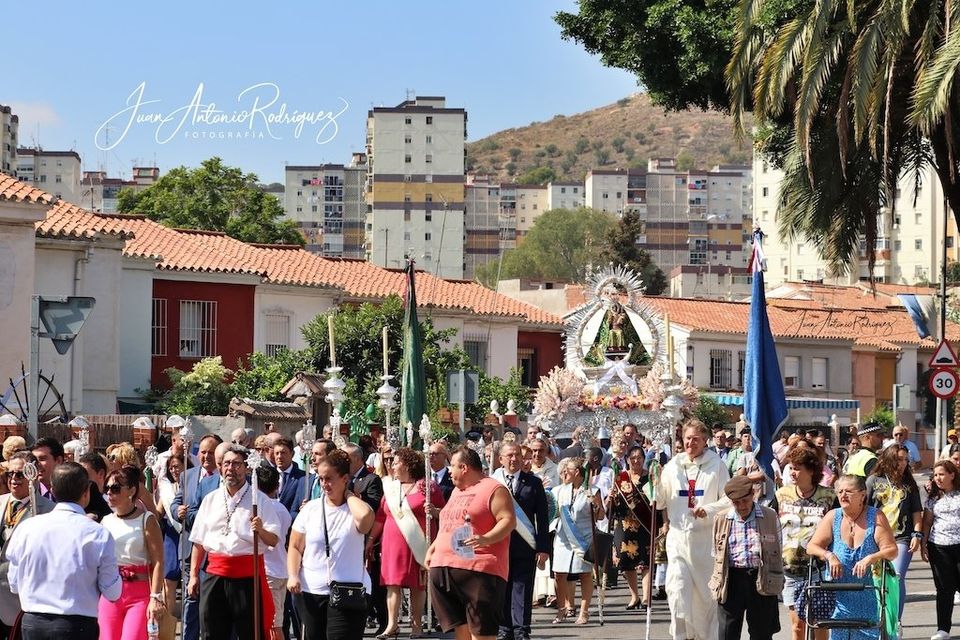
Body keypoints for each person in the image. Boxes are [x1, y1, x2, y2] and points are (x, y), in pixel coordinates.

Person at [7, 462, 122, 639]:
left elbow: (14, 584)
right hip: (76, 625)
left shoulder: (26, 528)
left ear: (52, 490)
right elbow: (112, 591)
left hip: (34, 623)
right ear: (86, 492)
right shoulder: (98, 533)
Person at [187, 445, 282, 640]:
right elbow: (198, 541)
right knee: (211, 633)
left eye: (237, 464)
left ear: (246, 468)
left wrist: (261, 530)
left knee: (250, 633)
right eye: (227, 463)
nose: (231, 468)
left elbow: (274, 539)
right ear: (220, 467)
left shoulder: (260, 500)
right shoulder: (210, 500)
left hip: (247, 577)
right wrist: (193, 575)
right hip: (214, 576)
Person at [425, 446, 516, 640]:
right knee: (461, 630)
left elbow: (508, 521)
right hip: (445, 568)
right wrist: (433, 548)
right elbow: (448, 523)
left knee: (481, 633)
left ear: (464, 467)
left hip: (480, 569)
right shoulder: (457, 492)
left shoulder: (494, 489)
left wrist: (486, 538)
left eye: (453, 466)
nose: (449, 470)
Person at [287, 449, 375, 640]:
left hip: (349, 591)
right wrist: (293, 575)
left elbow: (366, 519)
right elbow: (295, 546)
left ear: (344, 479)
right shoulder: (310, 509)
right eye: (321, 479)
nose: (324, 484)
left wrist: (349, 494)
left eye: (329, 479)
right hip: (312, 591)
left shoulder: (355, 509)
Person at [656, 419, 731, 640]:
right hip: (678, 538)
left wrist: (708, 509)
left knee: (703, 599)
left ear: (705, 441)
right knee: (677, 589)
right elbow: (660, 502)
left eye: (696, 439)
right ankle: (681, 636)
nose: (691, 443)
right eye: (687, 438)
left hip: (705, 543)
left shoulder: (716, 464)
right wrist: (654, 484)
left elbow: (728, 499)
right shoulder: (672, 466)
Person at [806, 474, 898, 639]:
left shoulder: (875, 517)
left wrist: (871, 558)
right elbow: (812, 547)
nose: (842, 495)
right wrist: (829, 555)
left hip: (868, 595)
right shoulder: (833, 516)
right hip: (837, 597)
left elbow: (891, 550)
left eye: (848, 491)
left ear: (862, 494)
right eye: (840, 491)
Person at [368, 448, 445, 638]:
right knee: (392, 584)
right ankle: (392, 624)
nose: (391, 466)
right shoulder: (391, 488)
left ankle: (416, 625)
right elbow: (380, 517)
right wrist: (370, 540)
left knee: (417, 585)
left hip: (417, 543)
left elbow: (444, 511)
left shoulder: (427, 487)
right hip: (392, 544)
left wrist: (434, 511)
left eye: (395, 462)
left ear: (408, 464)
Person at [709, 476, 783, 640]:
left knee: (761, 633)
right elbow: (716, 553)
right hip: (731, 579)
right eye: (736, 502)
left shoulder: (769, 516)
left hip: (761, 578)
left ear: (753, 494)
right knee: (727, 633)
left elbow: (779, 548)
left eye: (744, 500)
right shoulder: (721, 519)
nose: (741, 506)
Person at [775, 447, 837, 640]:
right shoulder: (781, 495)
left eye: (797, 468)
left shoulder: (829, 496)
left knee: (819, 622)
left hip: (819, 569)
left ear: (811, 470)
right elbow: (770, 524)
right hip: (790, 569)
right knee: (798, 626)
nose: (792, 473)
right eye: (791, 468)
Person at [98, 465, 166, 640]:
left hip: (139, 593)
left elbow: (158, 561)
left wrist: (156, 597)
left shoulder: (146, 520)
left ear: (131, 490)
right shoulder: (105, 521)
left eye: (115, 488)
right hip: (111, 591)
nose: (109, 493)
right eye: (107, 489)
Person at [491, 443, 549, 640]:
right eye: (509, 455)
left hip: (525, 545)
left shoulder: (533, 483)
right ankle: (504, 627)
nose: (513, 459)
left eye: (516, 455)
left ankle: (521, 629)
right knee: (502, 587)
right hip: (498, 544)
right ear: (501, 459)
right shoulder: (492, 483)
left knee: (522, 588)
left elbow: (542, 518)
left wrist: (543, 548)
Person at [169, 434, 220, 640]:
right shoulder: (188, 475)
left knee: (211, 603)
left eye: (211, 452)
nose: (206, 456)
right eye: (203, 452)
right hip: (190, 548)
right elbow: (176, 501)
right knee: (191, 599)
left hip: (213, 549)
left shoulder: (224, 478)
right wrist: (177, 511)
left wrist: (193, 515)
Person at [866, 444, 923, 625]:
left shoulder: (909, 484)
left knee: (896, 576)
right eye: (899, 459)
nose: (904, 463)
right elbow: (863, 509)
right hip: (875, 538)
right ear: (889, 459)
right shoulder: (873, 481)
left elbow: (916, 512)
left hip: (901, 537)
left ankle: (895, 621)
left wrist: (917, 534)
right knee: (876, 579)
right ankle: (878, 619)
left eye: (906, 459)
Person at [0, 453, 55, 638]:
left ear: (32, 474)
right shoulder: (0, 502)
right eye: (10, 474)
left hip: (19, 602)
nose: (14, 479)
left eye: (20, 474)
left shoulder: (48, 511)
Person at [550, 457, 605, 625]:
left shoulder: (592, 490)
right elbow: (552, 512)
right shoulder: (559, 490)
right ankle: (561, 610)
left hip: (583, 538)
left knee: (584, 574)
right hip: (563, 537)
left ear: (578, 473)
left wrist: (594, 506)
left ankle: (584, 611)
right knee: (559, 574)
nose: (565, 472)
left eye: (569, 469)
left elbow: (601, 515)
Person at [605, 445, 658, 610]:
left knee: (645, 562)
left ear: (644, 459)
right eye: (632, 458)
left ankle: (646, 597)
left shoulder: (650, 478)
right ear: (627, 459)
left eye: (639, 458)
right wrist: (611, 498)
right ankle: (634, 596)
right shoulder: (620, 478)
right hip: (624, 523)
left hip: (645, 524)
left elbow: (658, 501)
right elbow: (611, 505)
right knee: (626, 561)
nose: (636, 460)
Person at [921, 460, 960, 640]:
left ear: (952, 475)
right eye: (936, 475)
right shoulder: (932, 498)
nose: (938, 478)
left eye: (942, 474)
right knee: (944, 589)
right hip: (939, 547)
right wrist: (923, 544)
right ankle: (943, 629)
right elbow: (927, 522)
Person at [255, 464, 291, 640]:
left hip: (270, 570)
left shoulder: (265, 508)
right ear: (277, 486)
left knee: (274, 623)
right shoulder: (282, 508)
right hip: (278, 569)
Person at [154, 454, 184, 640]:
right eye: (171, 467)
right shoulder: (166, 490)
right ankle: (169, 625)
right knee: (169, 582)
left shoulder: (192, 484)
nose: (174, 469)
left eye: (177, 465)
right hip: (172, 537)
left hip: (189, 535)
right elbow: (158, 513)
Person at [274, 437, 306, 521]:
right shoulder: (269, 475)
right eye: (277, 453)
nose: (279, 457)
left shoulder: (303, 478)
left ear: (292, 454)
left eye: (283, 453)